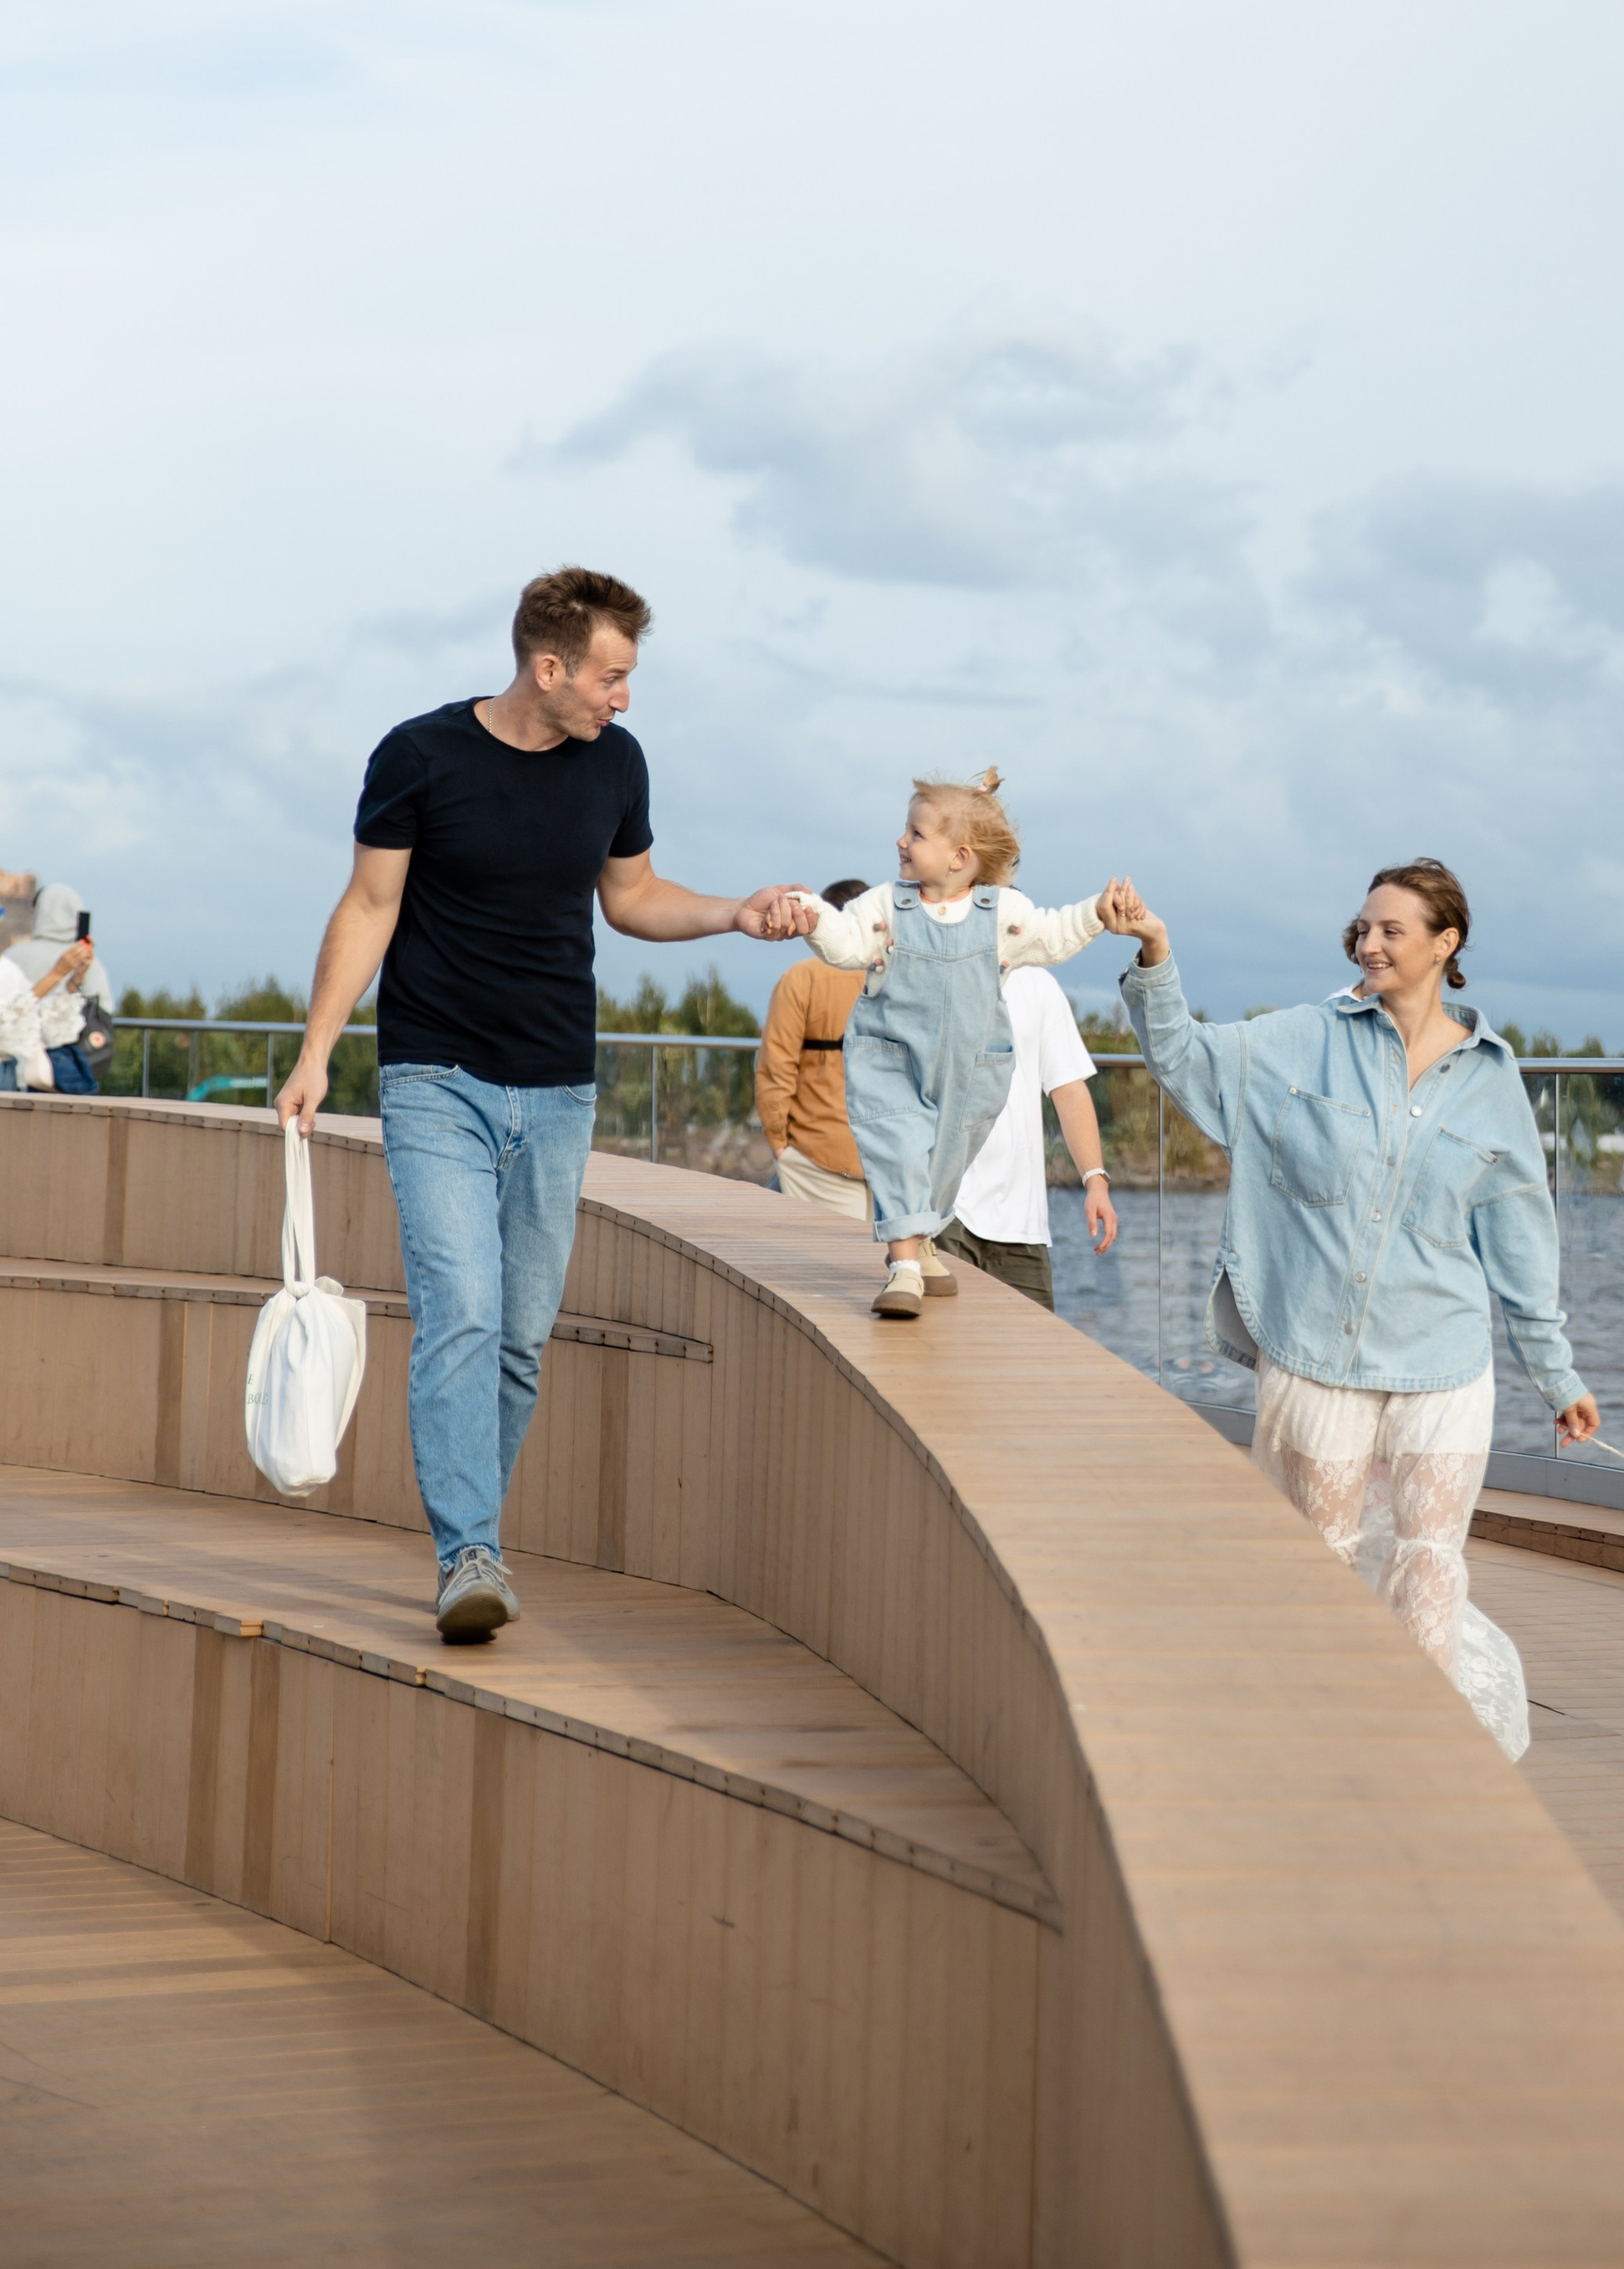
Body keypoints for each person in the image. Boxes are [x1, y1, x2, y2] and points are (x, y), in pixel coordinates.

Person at [274, 567, 807, 1646]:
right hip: (435, 1077)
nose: (624, 697)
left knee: (520, 1338)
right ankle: (467, 1549)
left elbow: (632, 897)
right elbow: (370, 905)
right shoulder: (418, 756)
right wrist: (317, 1051)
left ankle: (480, 1540)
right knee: (462, 1311)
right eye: (612, 676)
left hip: (559, 1085)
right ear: (549, 666)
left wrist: (733, 914)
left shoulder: (616, 763)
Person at [1114, 858, 1600, 1763]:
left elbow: (1520, 1243)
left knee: (1428, 1562)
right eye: (1363, 928)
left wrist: (1556, 1375)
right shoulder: (1304, 1039)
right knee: (1320, 1558)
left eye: (1392, 931)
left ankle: (1412, 1754)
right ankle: (1315, 1737)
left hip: (1443, 1364)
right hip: (1317, 1357)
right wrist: (1155, 955)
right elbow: (1184, 1058)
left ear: (1444, 944)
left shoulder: (1491, 1081)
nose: (1369, 944)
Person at [797, 770, 1142, 1318]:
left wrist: (1097, 914)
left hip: (993, 1136)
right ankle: (906, 1263)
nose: (900, 842)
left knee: (950, 1158)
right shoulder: (891, 908)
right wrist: (811, 914)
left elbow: (1053, 939)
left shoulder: (1017, 948)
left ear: (960, 859)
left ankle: (920, 1247)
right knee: (903, 1145)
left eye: (916, 833)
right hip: (914, 1113)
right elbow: (844, 943)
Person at [934, 965, 1119, 1308]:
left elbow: (1068, 1090)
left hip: (1022, 1221)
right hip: (943, 1210)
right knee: (942, 1349)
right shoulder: (932, 968)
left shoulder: (1037, 984)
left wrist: (1096, 1181)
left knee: (1033, 1355)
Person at [756, 878, 872, 1218]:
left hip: (818, 1156)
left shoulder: (801, 980)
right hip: (888, 1160)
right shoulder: (897, 980)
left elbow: (776, 1068)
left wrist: (779, 1145)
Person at [3, 884, 116, 1091]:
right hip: (60, 1067)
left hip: (15, 1066)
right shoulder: (89, 961)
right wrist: (63, 976)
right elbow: (103, 1011)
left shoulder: (13, 957)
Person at [0, 935, 98, 1092]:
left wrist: (74, 979)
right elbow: (5, 1023)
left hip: (10, 1074)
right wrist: (56, 974)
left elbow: (40, 1019)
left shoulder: (8, 967)